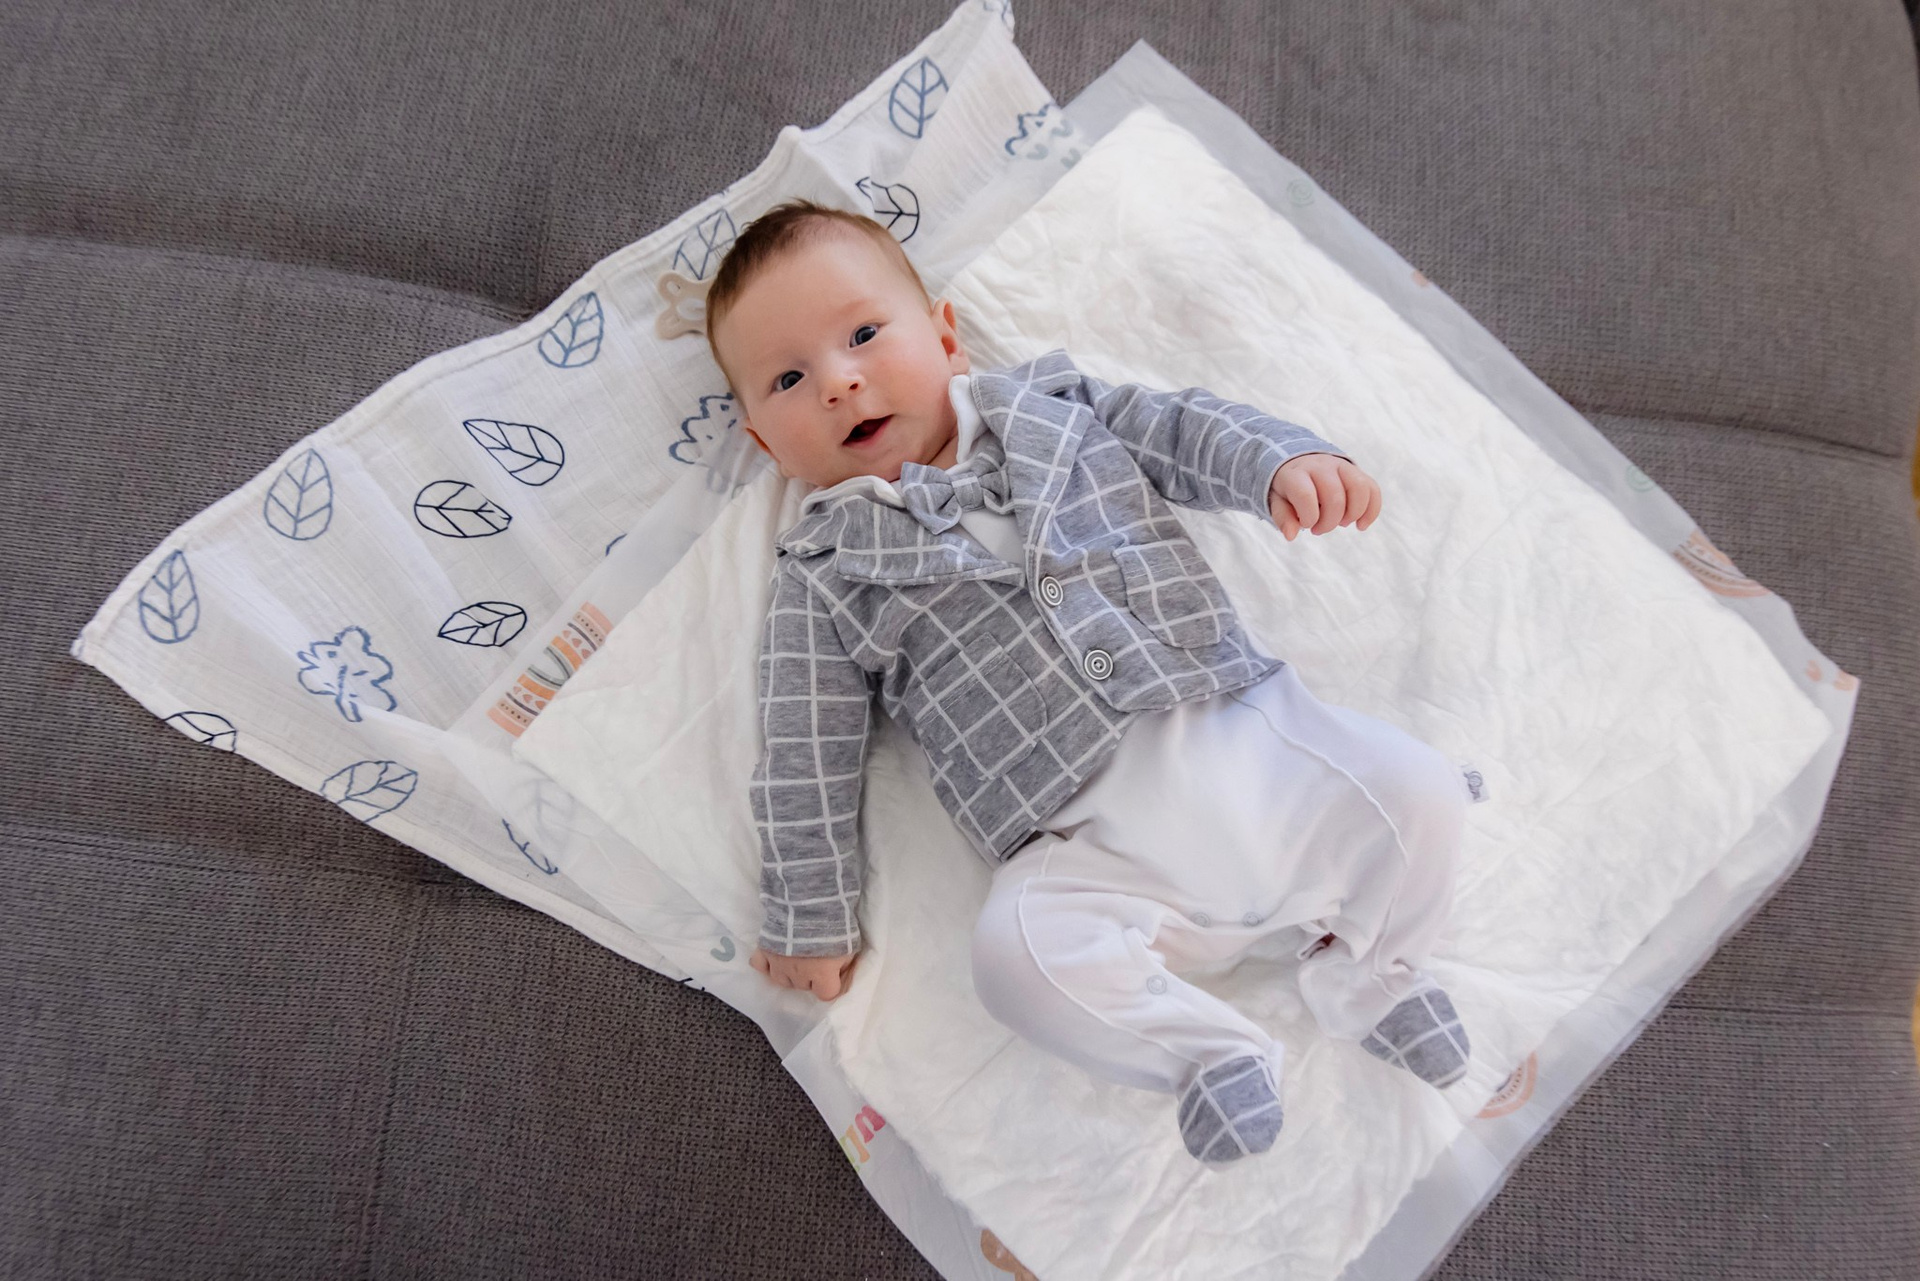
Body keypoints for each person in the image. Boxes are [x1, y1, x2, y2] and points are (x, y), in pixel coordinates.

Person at [704, 198, 1473, 1165]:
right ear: (766, 443)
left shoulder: (1059, 409)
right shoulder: (824, 573)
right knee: (1013, 961)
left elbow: (1184, 428)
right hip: (1079, 845)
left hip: (1238, 733)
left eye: (863, 334)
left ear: (945, 336)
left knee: (1422, 792)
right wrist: (808, 910)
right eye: (788, 378)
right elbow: (802, 751)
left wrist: (1282, 460)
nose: (839, 382)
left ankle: (1373, 976)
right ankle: (1210, 1052)